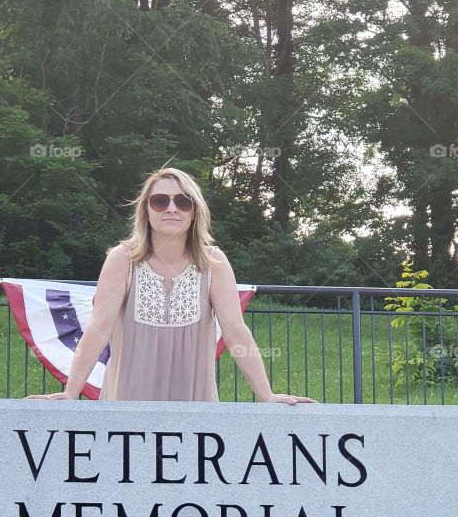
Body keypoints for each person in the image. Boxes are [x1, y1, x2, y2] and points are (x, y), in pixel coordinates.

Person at [26, 166, 315, 404]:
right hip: (128, 399)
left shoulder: (213, 262)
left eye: (183, 201)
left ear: (194, 212)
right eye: (160, 201)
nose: (172, 208)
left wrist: (266, 395)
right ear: (147, 211)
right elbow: (99, 328)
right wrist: (70, 392)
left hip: (194, 400)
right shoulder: (122, 259)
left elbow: (235, 331)